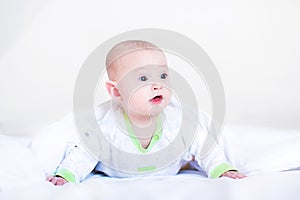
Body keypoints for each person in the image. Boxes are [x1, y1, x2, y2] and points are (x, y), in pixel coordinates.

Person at [47, 40, 246, 185]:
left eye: (162, 75)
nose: (157, 85)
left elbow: (205, 147)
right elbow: (84, 154)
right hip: (115, 174)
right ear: (116, 91)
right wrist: (67, 175)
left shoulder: (179, 122)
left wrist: (222, 169)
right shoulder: (107, 127)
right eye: (143, 78)